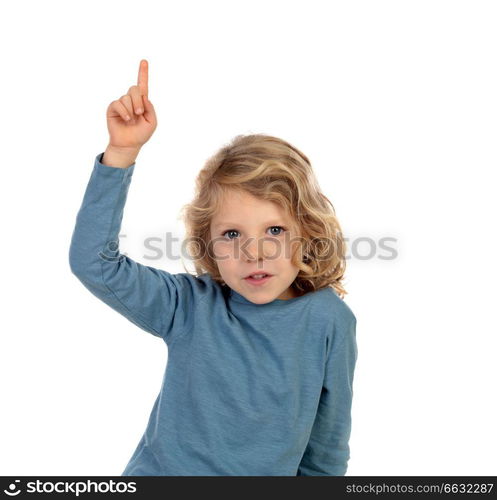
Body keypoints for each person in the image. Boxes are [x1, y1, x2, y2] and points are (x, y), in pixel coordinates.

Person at [68, 59, 358, 476]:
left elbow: (326, 449)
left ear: (307, 233)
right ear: (209, 245)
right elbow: (93, 263)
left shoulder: (329, 320)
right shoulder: (190, 305)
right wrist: (122, 153)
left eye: (274, 229)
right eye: (232, 235)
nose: (254, 253)